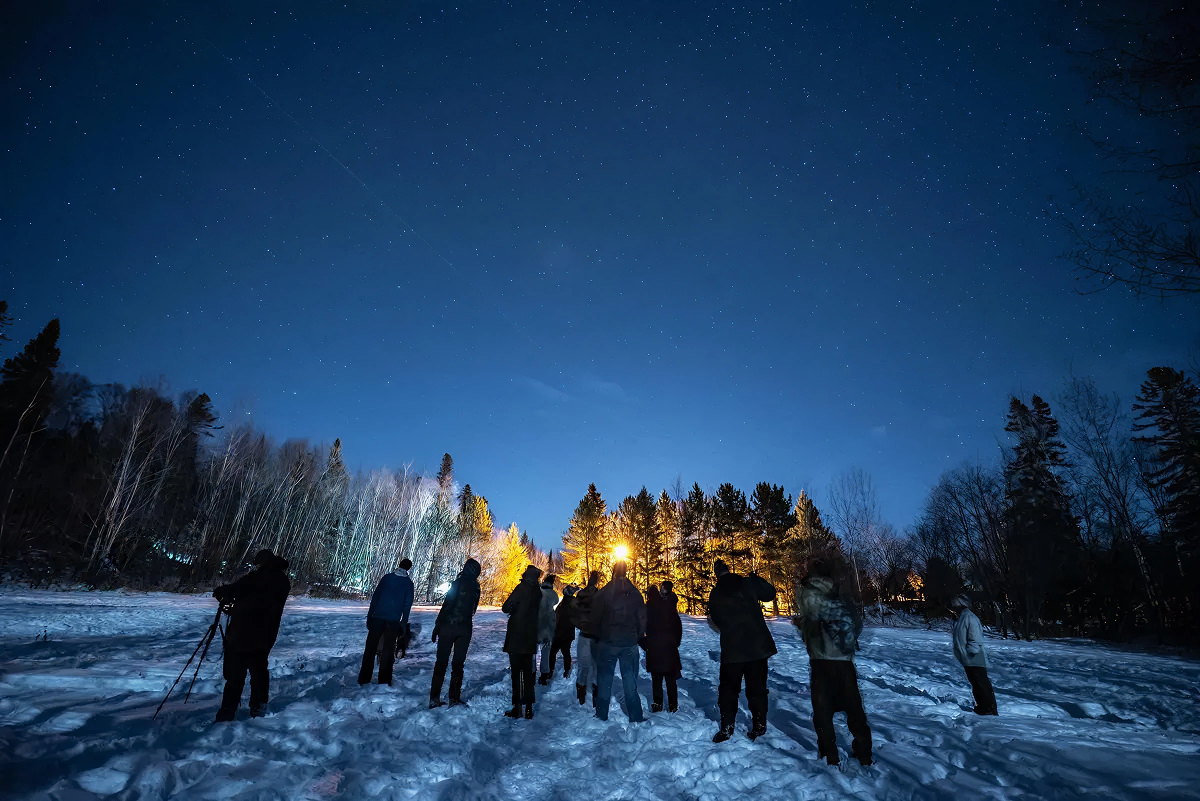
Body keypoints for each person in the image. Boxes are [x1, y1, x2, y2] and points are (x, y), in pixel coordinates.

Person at [794, 559, 872, 766]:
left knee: (822, 711)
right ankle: (864, 753)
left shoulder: (805, 594)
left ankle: (830, 755)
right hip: (845, 662)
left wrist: (802, 628)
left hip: (820, 662)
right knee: (855, 709)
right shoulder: (840, 595)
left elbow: (808, 628)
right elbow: (857, 626)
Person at [212, 548, 291, 722]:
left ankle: (228, 711)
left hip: (243, 633)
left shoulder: (256, 579)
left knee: (236, 674)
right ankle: (258, 706)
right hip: (266, 635)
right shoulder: (282, 581)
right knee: (259, 671)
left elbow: (235, 591)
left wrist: (224, 595)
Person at [706, 559, 777, 742]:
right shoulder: (747, 584)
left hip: (732, 650)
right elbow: (770, 593)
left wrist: (728, 629)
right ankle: (759, 725)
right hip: (757, 648)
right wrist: (756, 578)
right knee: (757, 689)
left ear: (716, 575)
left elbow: (714, 620)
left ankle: (727, 727)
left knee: (729, 690)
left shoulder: (716, 594)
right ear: (729, 570)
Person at [591, 561, 647, 723]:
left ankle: (601, 715)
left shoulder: (604, 592)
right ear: (626, 572)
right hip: (629, 643)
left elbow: (595, 617)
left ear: (614, 572)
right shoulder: (635, 593)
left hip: (608, 642)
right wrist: (637, 636)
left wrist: (598, 636)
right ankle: (636, 716)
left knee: (605, 681)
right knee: (630, 682)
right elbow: (642, 619)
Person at [429, 558, 481, 708]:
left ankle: (434, 698)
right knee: (458, 665)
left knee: (441, 664)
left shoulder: (456, 584)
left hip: (447, 627)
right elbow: (473, 611)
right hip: (464, 628)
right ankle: (454, 698)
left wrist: (438, 625)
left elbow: (447, 606)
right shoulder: (476, 587)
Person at [358, 558, 415, 686]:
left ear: (399, 565)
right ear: (408, 569)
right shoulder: (408, 584)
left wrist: (370, 615)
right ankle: (384, 680)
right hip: (393, 621)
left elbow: (376, 598)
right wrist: (403, 623)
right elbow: (407, 606)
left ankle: (364, 678)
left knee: (370, 648)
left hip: (377, 617)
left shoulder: (387, 578)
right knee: (388, 651)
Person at [501, 564, 544, 719]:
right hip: (530, 638)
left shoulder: (521, 588)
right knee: (528, 674)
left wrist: (514, 607)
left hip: (516, 637)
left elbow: (505, 607)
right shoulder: (537, 592)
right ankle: (529, 709)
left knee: (516, 675)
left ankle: (518, 707)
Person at [950, 594, 999, 715]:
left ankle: (989, 708)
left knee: (981, 683)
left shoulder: (969, 618)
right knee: (976, 684)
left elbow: (975, 638)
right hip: (967, 658)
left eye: (955, 605)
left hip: (974, 657)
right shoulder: (962, 618)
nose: (953, 607)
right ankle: (982, 706)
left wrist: (971, 653)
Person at [641, 581, 682, 713]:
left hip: (654, 646)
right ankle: (673, 704)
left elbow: (641, 627)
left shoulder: (647, 609)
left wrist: (644, 643)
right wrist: (676, 642)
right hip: (670, 646)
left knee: (656, 678)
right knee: (671, 679)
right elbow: (678, 626)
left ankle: (658, 703)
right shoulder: (668, 607)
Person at [571, 570, 602, 706]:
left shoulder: (581, 595)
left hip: (585, 634)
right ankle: (595, 697)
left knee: (584, 666)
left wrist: (581, 625)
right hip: (596, 635)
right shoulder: (600, 595)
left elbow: (573, 613)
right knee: (596, 666)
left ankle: (581, 694)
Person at [537, 573, 560, 685]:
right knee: (546, 651)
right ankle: (544, 674)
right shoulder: (553, 594)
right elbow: (556, 601)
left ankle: (531, 671)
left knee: (533, 650)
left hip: (536, 623)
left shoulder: (538, 592)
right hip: (548, 625)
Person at [549, 585, 577, 678]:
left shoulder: (569, 602)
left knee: (558, 652)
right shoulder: (567, 602)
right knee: (563, 652)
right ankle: (566, 671)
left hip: (563, 632)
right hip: (564, 632)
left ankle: (561, 671)